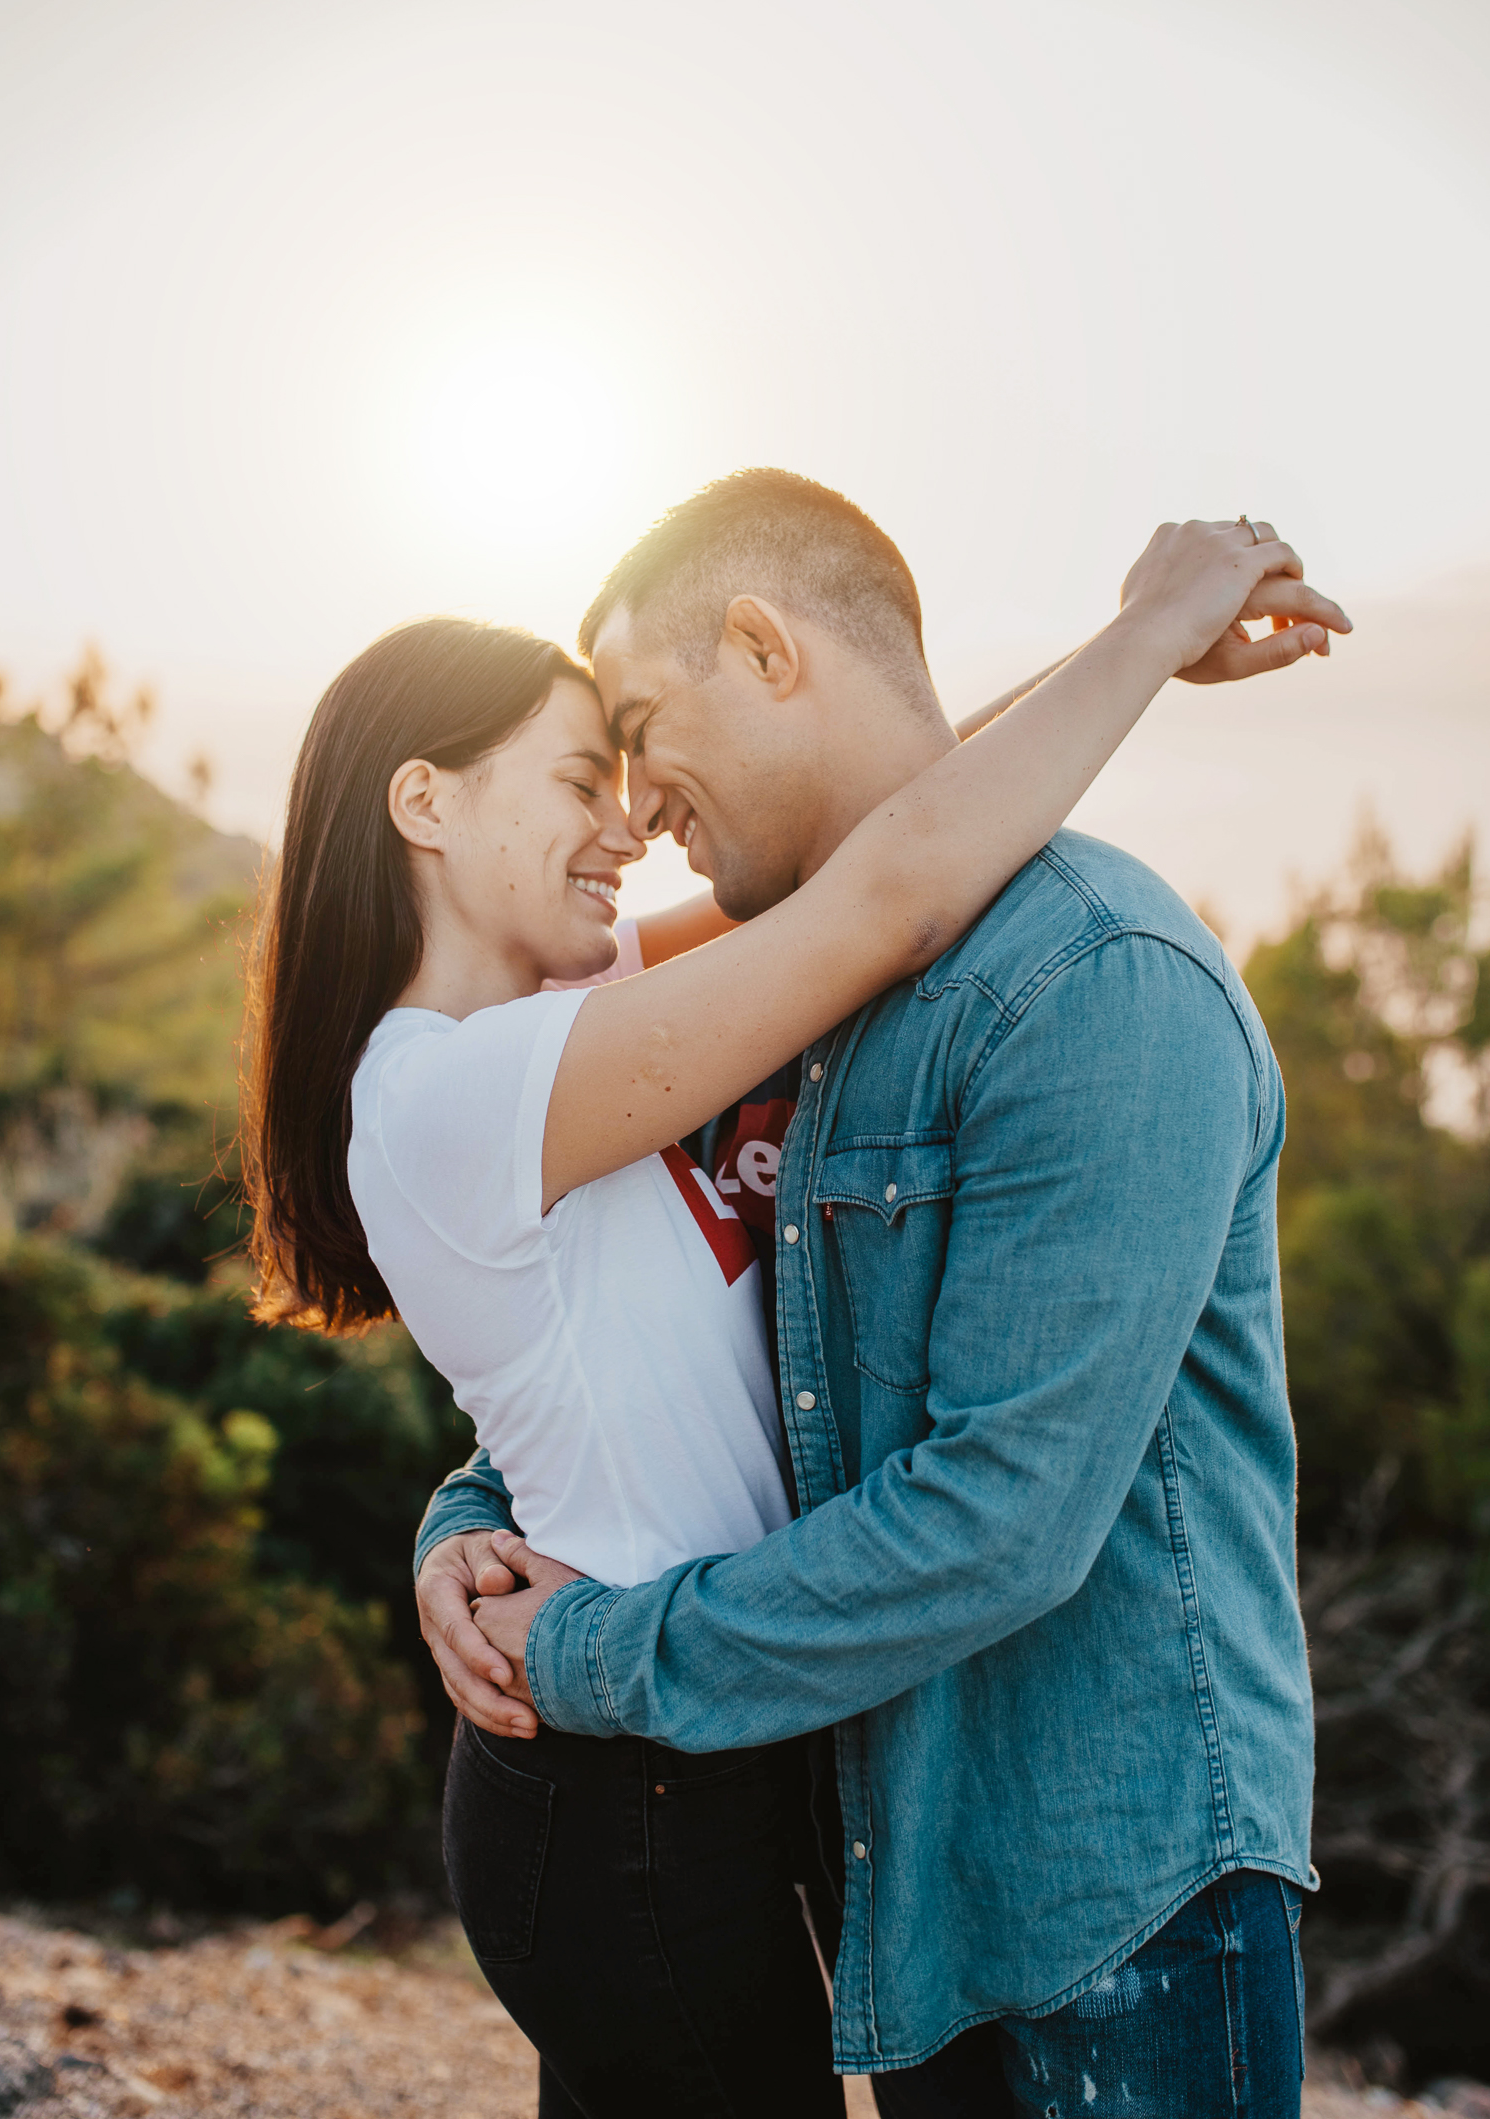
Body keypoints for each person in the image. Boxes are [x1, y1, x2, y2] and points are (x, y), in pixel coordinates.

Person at [417, 472, 1351, 2117]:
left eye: (641, 723)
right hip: (895, 1883)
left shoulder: (1099, 984)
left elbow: (1004, 1517)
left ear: (768, 647)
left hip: (1112, 1908)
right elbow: (682, 1363)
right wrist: (472, 1519)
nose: (636, 807)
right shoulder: (786, 1001)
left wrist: (590, 1656)